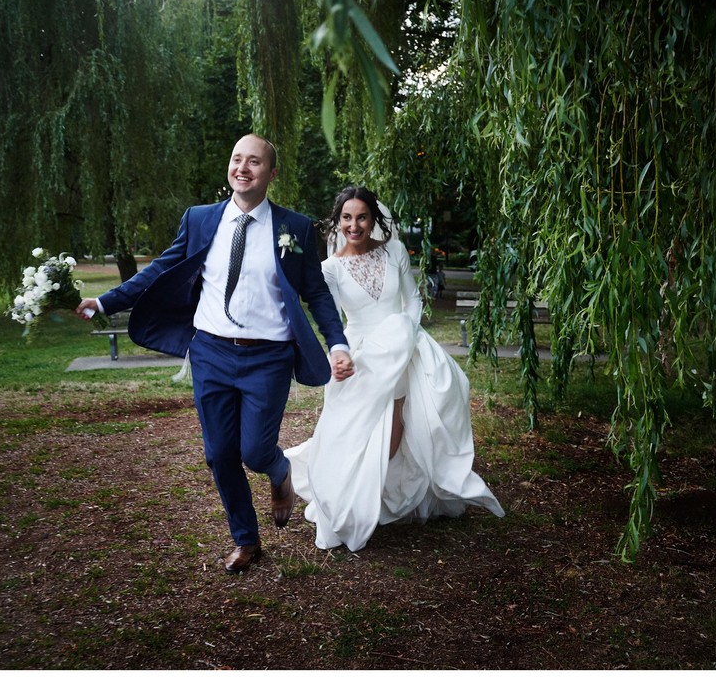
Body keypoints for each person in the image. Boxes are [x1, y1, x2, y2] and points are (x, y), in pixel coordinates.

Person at [76, 134, 354, 573]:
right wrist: (106, 301)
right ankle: (246, 540)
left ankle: (280, 471)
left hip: (269, 357)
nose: (243, 168)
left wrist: (337, 342)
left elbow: (316, 292)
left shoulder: (294, 228)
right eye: (237, 159)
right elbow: (162, 268)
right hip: (210, 352)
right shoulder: (201, 219)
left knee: (255, 451)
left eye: (255, 162)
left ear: (271, 174)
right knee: (219, 453)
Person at [284, 186, 504, 552]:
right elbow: (332, 320)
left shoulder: (395, 252)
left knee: (394, 433)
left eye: (362, 217)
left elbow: (412, 300)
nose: (354, 225)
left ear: (374, 219)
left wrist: (405, 335)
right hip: (359, 356)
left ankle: (379, 495)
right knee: (347, 430)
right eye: (347, 217)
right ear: (338, 222)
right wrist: (337, 355)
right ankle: (338, 493)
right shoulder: (331, 268)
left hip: (400, 347)